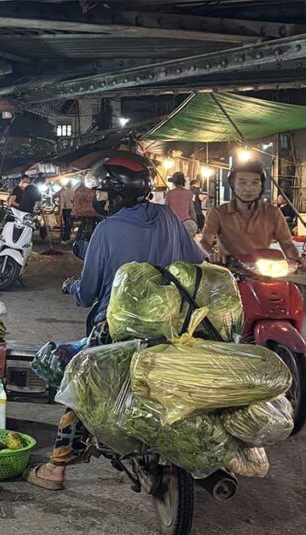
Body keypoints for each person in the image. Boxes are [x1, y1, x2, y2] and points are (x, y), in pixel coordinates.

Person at [25, 153, 204, 491]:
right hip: (171, 327)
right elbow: (196, 261)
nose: (100, 199)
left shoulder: (107, 230)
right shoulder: (167, 216)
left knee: (79, 380)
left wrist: (71, 286)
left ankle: (56, 468)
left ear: (117, 194)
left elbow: (89, 292)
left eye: (104, 193)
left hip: (117, 329)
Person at [199, 159, 306, 266]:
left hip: (263, 269)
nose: (248, 188)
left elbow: (287, 244)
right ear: (233, 184)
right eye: (242, 183)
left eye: (255, 183)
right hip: (230, 270)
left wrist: (298, 259)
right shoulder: (218, 213)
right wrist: (212, 254)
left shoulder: (272, 212)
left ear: (261, 186)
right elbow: (205, 242)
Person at [164, 171, 197, 236]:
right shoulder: (189, 193)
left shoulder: (170, 193)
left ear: (174, 182)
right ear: (183, 182)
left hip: (173, 223)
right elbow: (192, 210)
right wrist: (195, 223)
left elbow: (166, 209)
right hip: (186, 224)